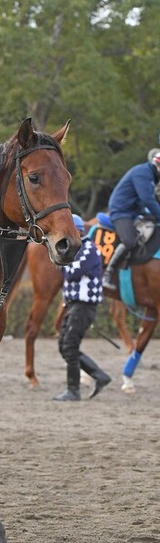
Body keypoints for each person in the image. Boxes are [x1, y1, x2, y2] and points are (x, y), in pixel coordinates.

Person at [53, 214, 111, 402]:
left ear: (76, 230)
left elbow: (71, 273)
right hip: (74, 305)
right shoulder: (77, 251)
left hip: (84, 306)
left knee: (69, 346)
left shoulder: (88, 249)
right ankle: (100, 376)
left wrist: (62, 258)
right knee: (64, 346)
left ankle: (73, 390)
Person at [102, 149, 160, 290]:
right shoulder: (143, 173)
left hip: (133, 212)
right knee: (129, 240)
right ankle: (108, 274)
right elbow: (148, 199)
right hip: (121, 212)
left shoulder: (149, 174)